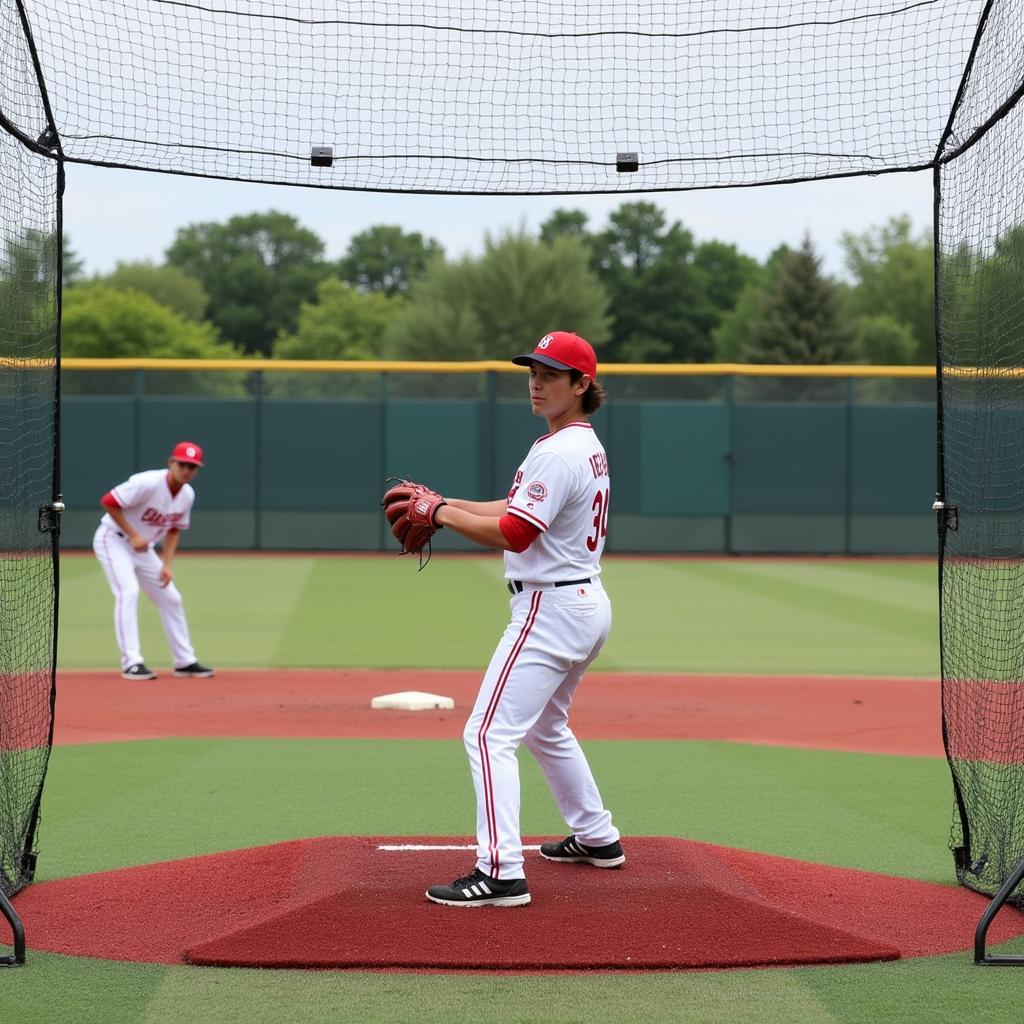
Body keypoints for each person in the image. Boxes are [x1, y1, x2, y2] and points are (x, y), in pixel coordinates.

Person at [423, 331, 622, 907]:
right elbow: (514, 509)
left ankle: (500, 872)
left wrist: (440, 515)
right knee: (545, 727)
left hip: (550, 607)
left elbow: (515, 530)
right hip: (583, 602)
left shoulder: (558, 451)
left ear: (582, 384)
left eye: (550, 374)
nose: (536, 382)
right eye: (532, 371)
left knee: (487, 734)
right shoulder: (579, 444)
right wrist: (449, 506)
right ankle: (596, 835)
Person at [92, 441, 214, 681]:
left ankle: (185, 661)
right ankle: (132, 662)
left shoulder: (187, 495)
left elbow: (175, 530)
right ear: (171, 463)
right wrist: (134, 534)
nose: (187, 470)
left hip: (143, 549)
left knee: (171, 598)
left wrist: (167, 564)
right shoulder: (147, 483)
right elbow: (108, 501)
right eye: (183, 464)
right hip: (113, 540)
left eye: (193, 466)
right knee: (128, 591)